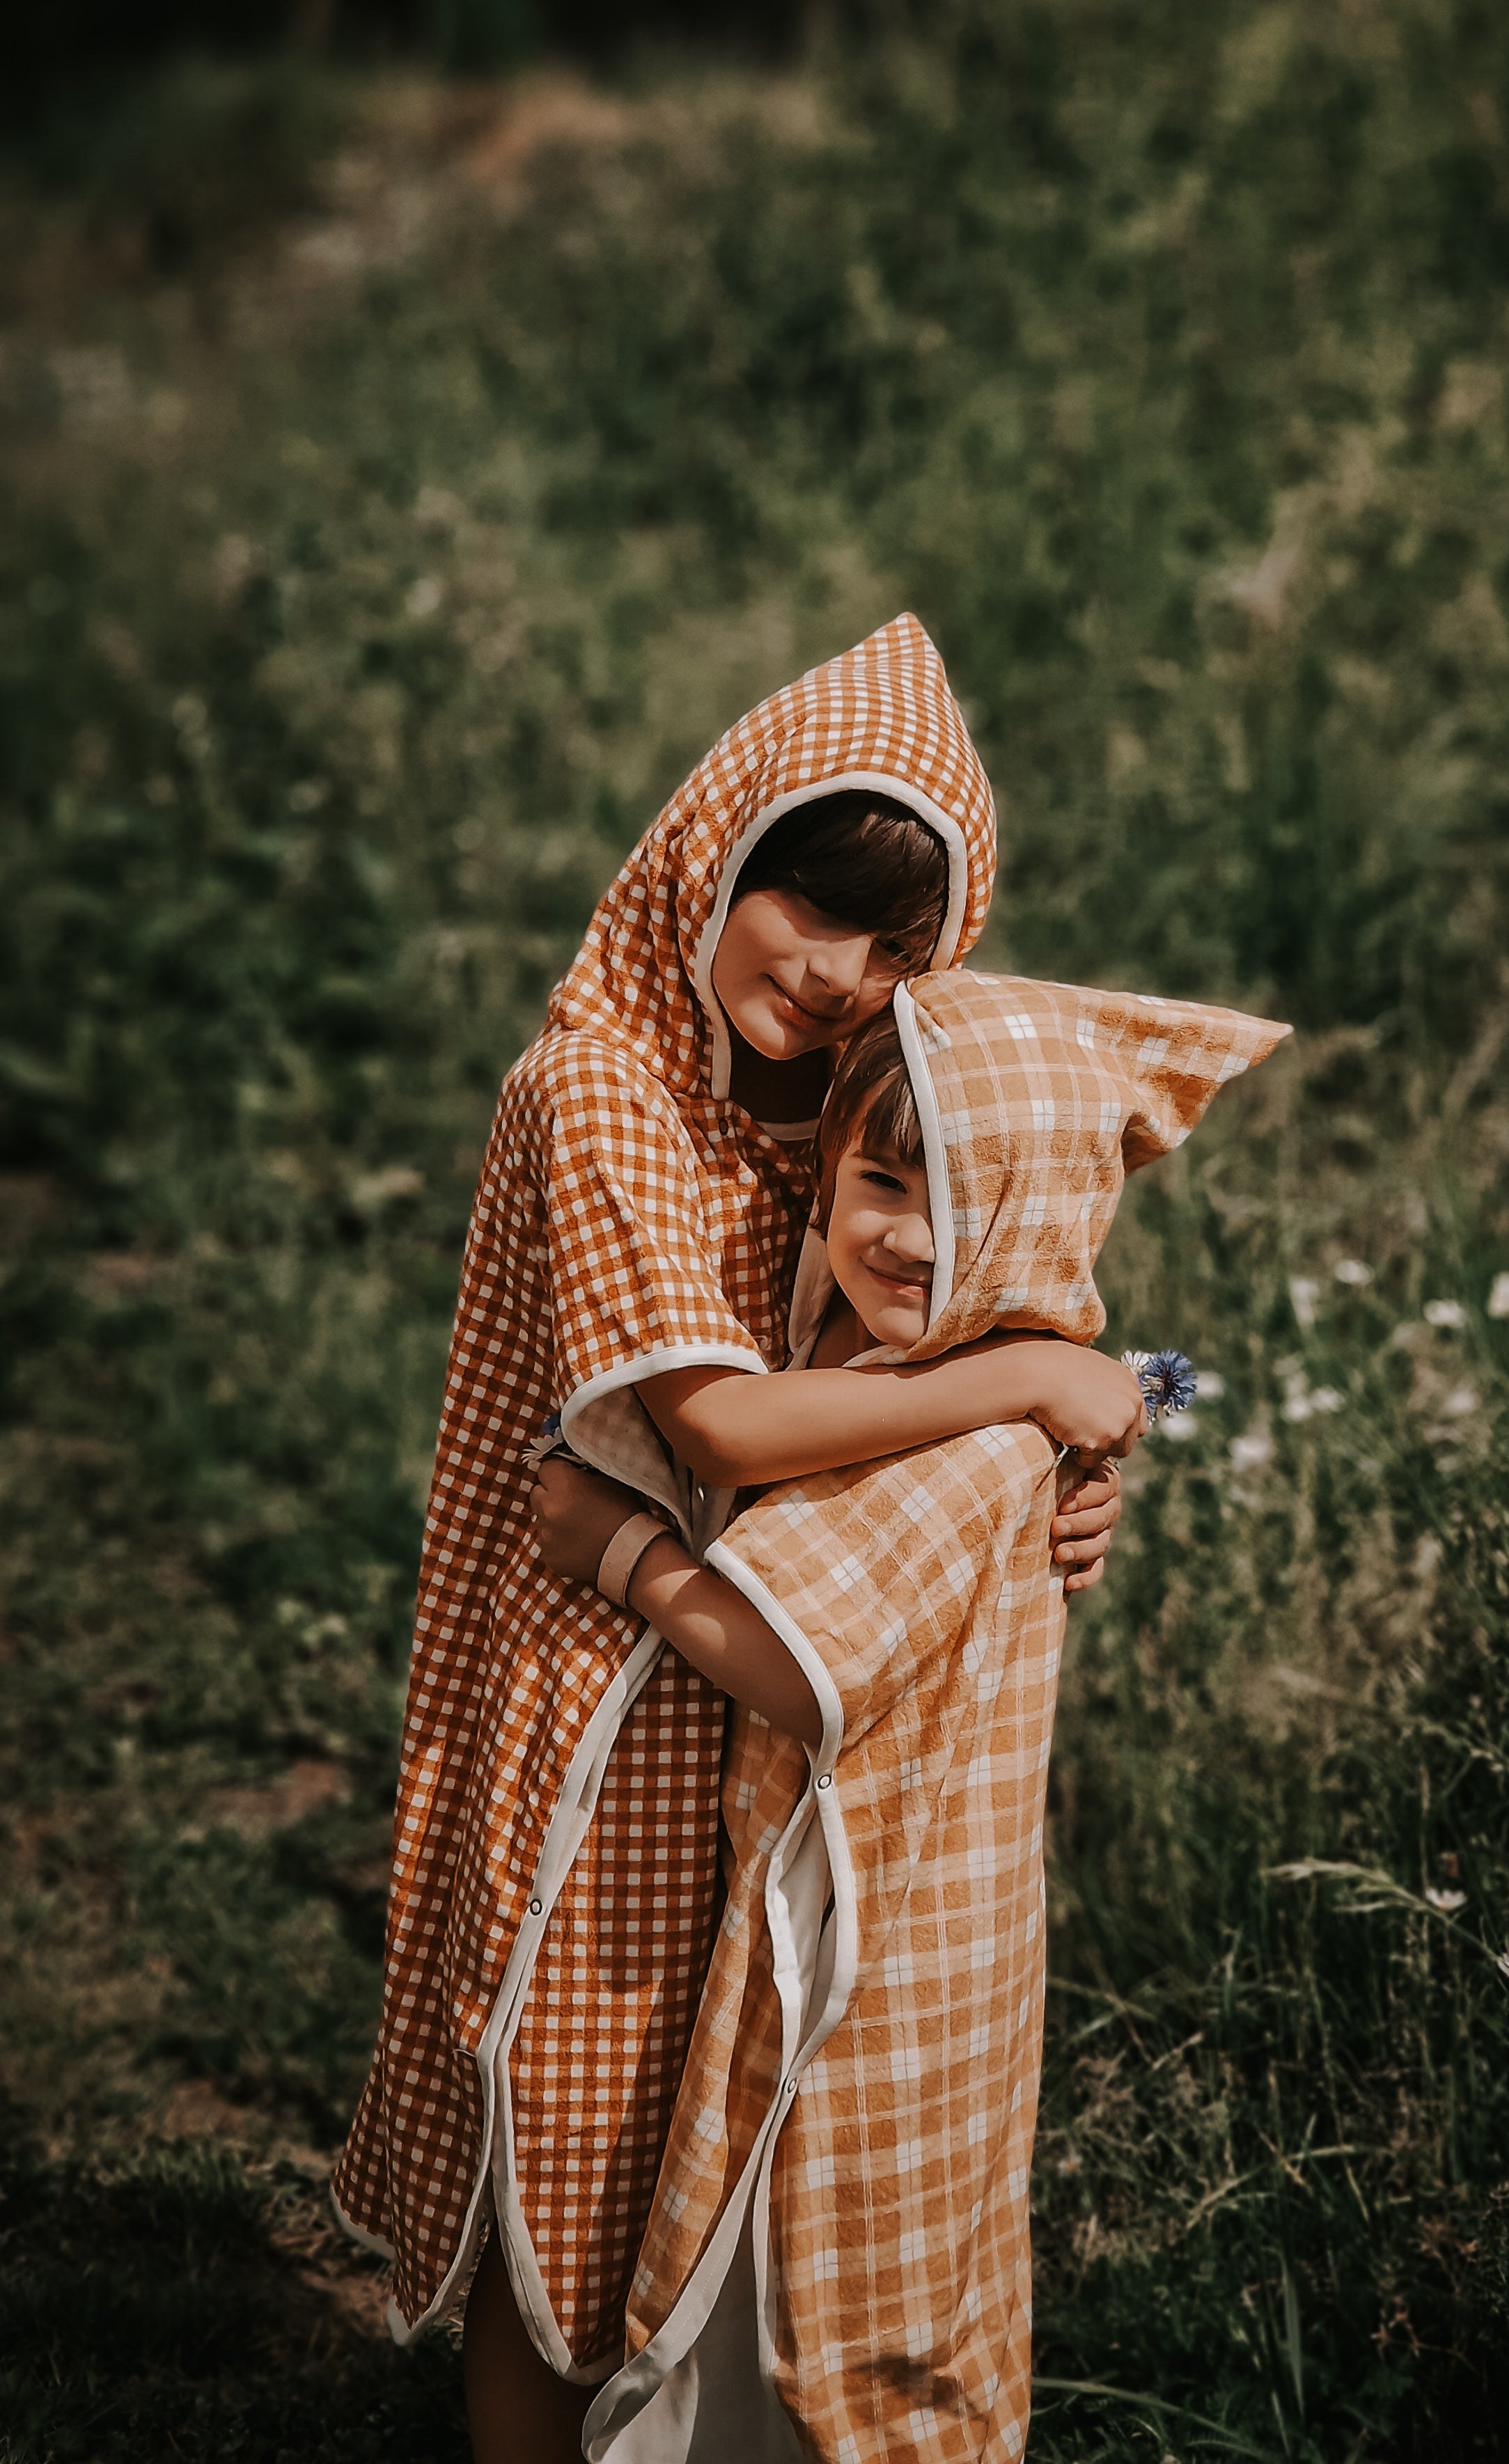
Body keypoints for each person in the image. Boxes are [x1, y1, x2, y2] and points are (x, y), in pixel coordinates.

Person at [329, 618, 1143, 2462]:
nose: (843, 973)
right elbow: (724, 1426)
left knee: (707, 2158)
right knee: (569, 2150)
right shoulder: (601, 1087)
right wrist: (1022, 1390)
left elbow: (943, 1313)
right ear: (719, 847)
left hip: (772, 1703)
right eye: (811, 906)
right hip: (603, 1708)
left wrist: (1062, 1450)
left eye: (896, 951)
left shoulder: (841, 1119)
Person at [533, 968, 1289, 2463]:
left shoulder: (976, 1439)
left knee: (832, 2291)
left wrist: (618, 1550)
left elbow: (778, 1659)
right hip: (846, 1899)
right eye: (881, 1175)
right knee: (774, 2275)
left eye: (965, 1197)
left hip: (875, 1947)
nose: (910, 1233)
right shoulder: (896, 1352)